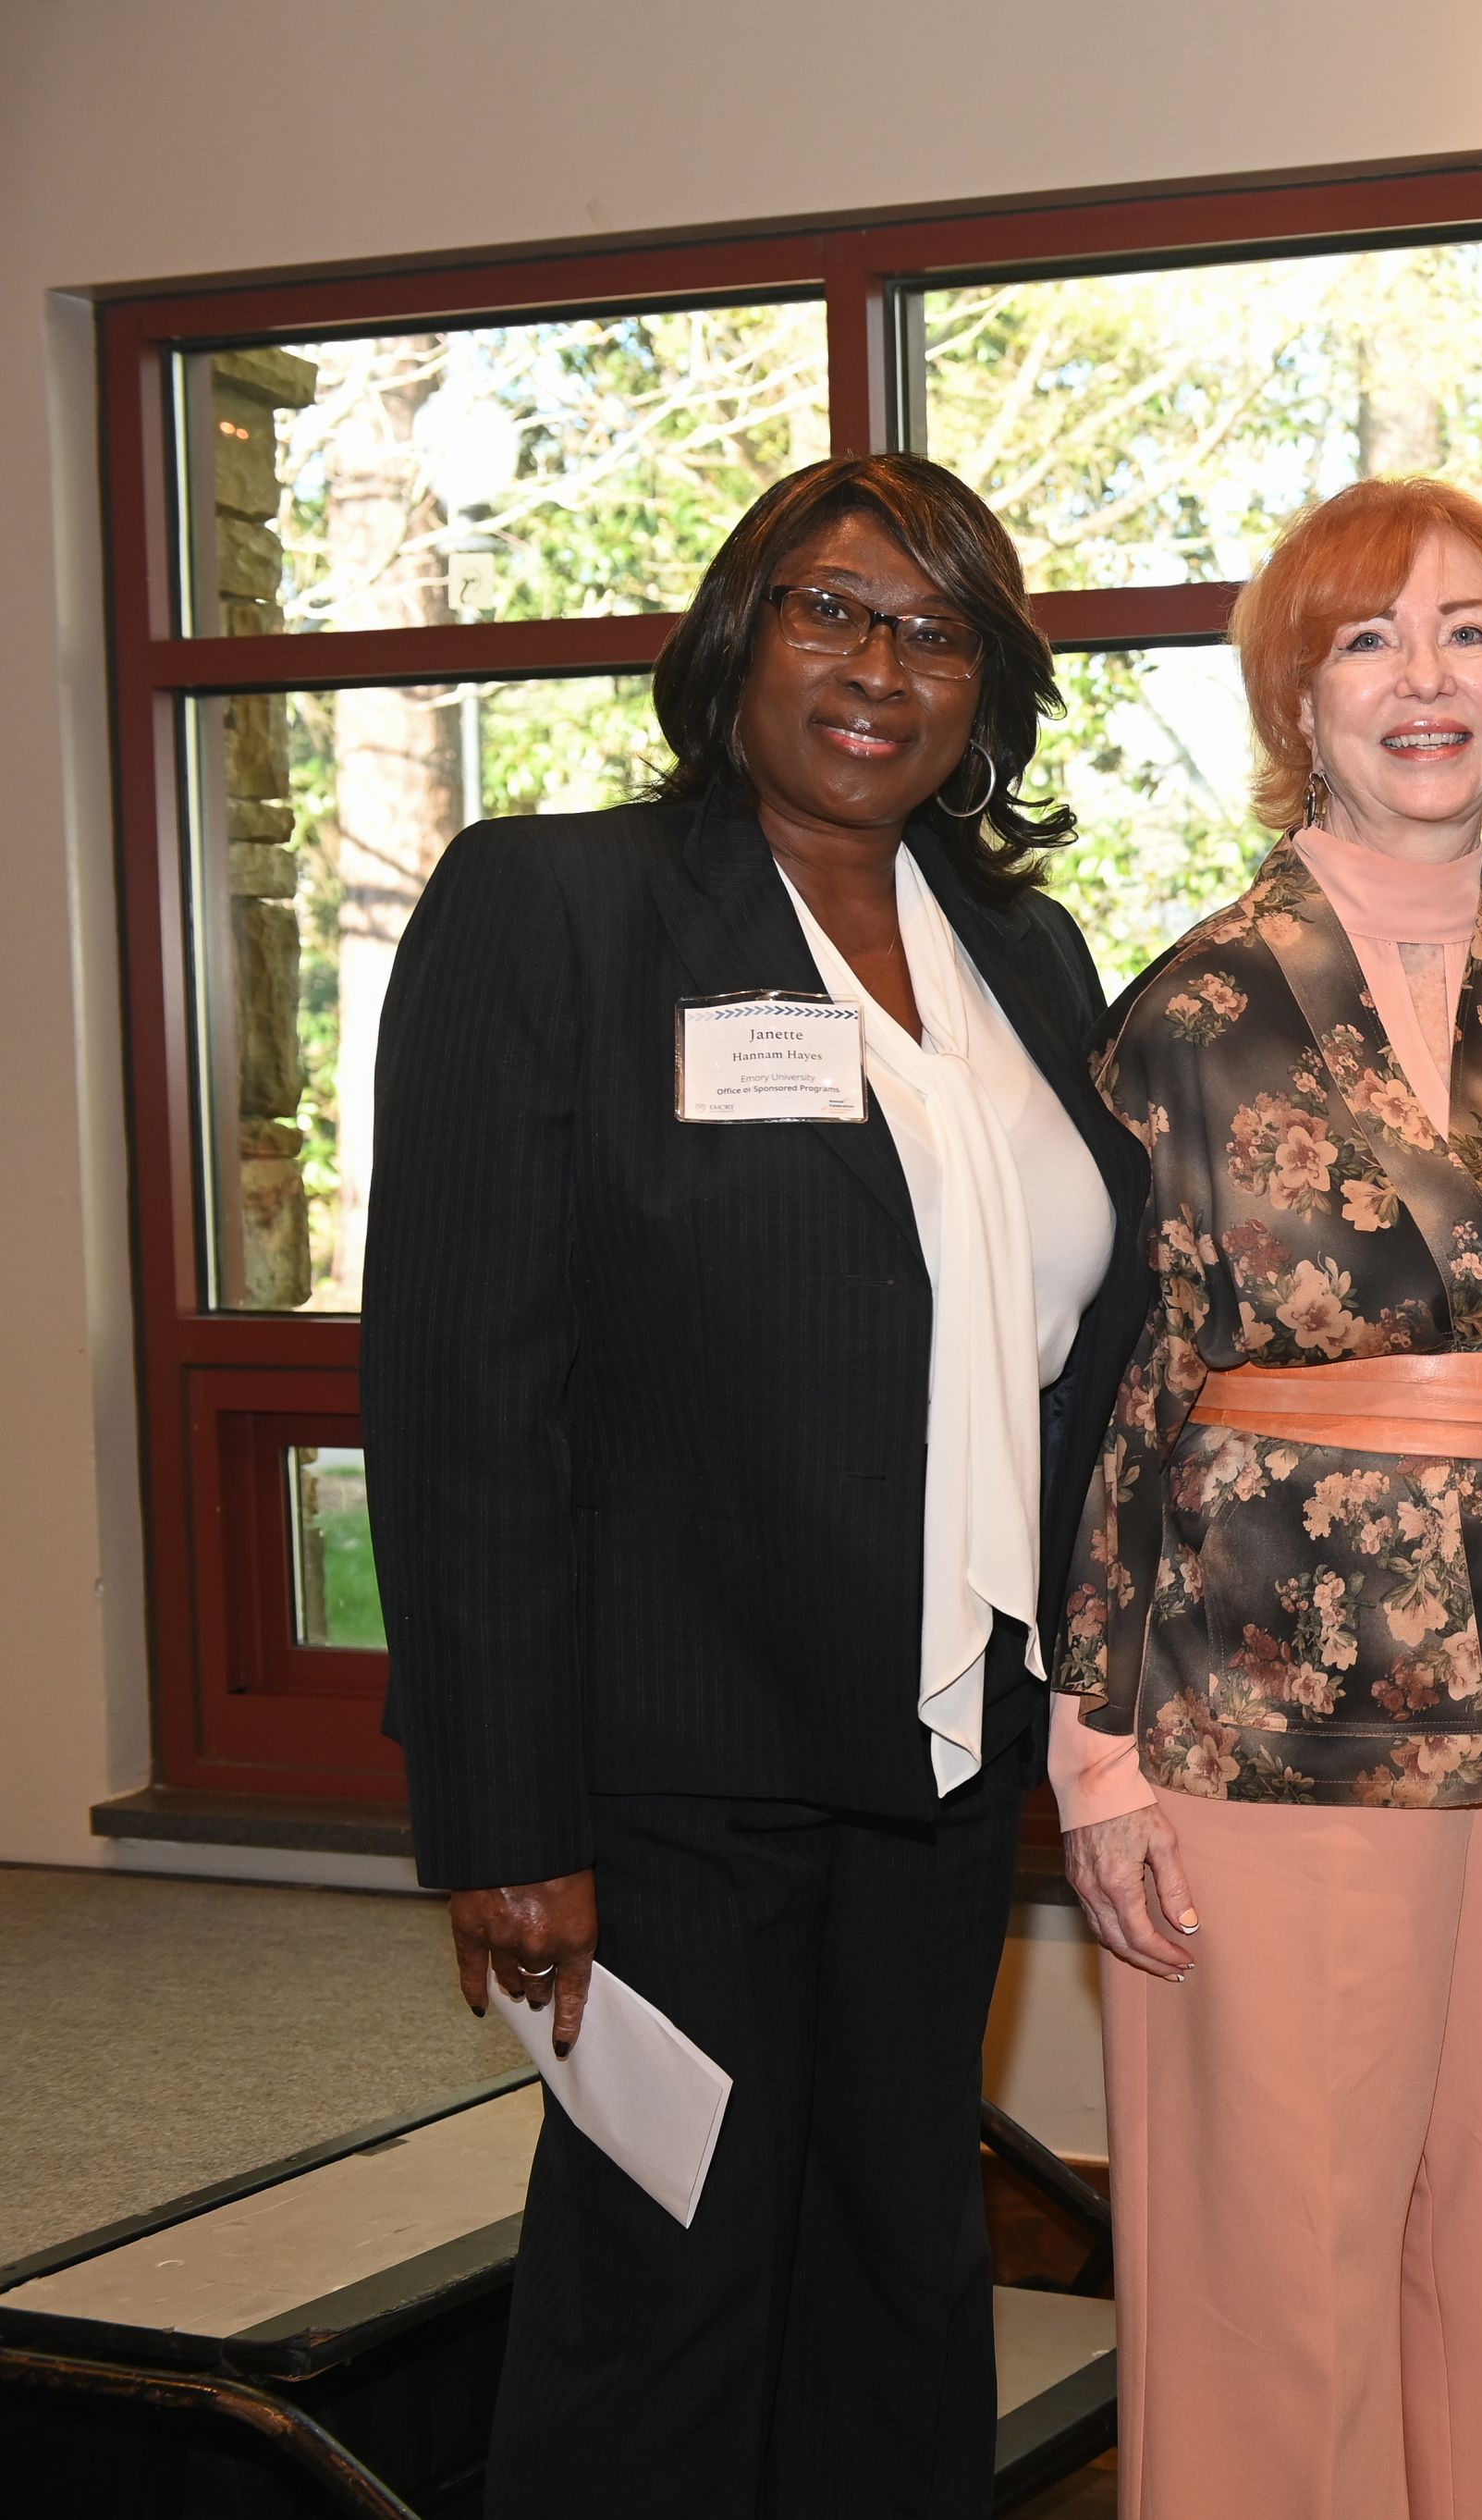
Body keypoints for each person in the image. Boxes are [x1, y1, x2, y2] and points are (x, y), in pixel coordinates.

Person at [361, 451, 1150, 2517]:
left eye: (937, 630)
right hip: (666, 1778)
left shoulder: (1026, 953)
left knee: (900, 2273)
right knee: (663, 2310)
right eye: (833, 610)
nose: (882, 666)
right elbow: (461, 1390)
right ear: (738, 638)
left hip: (940, 1754)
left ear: (986, 689)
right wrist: (504, 1814)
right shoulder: (559, 910)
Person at [1049, 475, 1482, 2520]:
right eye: (1367, 639)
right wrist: (1093, 1746)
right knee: (1279, 2269)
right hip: (1270, 1706)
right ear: (1299, 700)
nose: (1424, 679)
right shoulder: (1190, 1008)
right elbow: (1122, 1392)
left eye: (1467, 634)